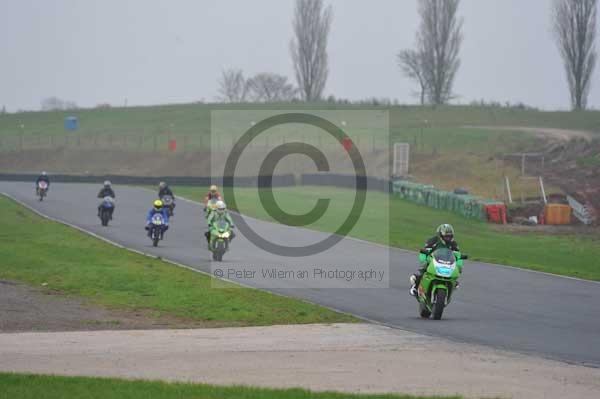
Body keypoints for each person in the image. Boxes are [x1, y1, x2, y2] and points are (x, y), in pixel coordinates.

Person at [409, 224, 460, 297]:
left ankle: (452, 284)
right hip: (433, 259)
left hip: (447, 261)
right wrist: (424, 260)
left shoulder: (453, 243)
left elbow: (458, 254)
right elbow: (424, 250)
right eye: (446, 236)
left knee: (456, 271)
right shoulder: (433, 240)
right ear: (440, 235)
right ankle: (415, 286)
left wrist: (459, 264)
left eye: (450, 236)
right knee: (424, 268)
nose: (448, 238)